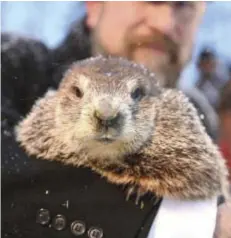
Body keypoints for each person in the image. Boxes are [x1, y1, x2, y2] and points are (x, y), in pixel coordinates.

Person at [2, 2, 230, 238]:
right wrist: (186, 221)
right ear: (95, 6)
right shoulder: (13, 64)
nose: (165, 24)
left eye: (184, 5)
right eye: (151, 0)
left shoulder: (199, 112)